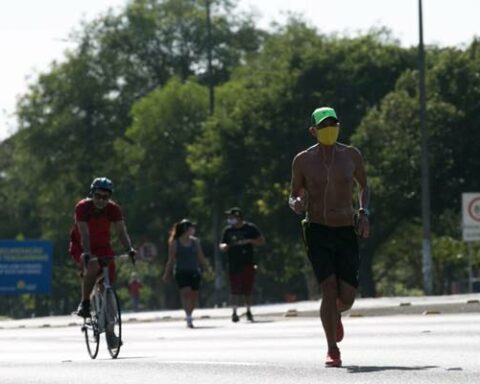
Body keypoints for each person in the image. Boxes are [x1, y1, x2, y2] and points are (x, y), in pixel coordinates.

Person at [289, 107, 370, 367]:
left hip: (346, 229)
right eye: (324, 126)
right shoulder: (302, 160)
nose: (330, 129)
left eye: (333, 124)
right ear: (313, 131)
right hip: (317, 229)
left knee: (347, 297)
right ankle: (332, 349)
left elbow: (364, 186)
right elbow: (294, 194)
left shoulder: (351, 155)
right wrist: (297, 203)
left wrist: (363, 212)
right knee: (328, 288)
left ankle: (336, 316)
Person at [69, 177, 136, 321]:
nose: (101, 200)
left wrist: (129, 249)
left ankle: (111, 329)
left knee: (107, 286)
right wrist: (87, 253)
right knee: (92, 267)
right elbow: (84, 234)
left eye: (105, 197)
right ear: (92, 194)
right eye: (97, 196)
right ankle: (85, 303)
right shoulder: (82, 207)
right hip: (81, 246)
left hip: (104, 248)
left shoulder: (113, 209)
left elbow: (121, 232)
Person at [219, 207, 266, 323]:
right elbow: (222, 244)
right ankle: (234, 312)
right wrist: (224, 247)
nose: (230, 220)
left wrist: (249, 241)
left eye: (232, 217)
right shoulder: (228, 231)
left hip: (248, 262)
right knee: (234, 289)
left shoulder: (250, 228)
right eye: (229, 218)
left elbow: (261, 241)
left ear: (238, 217)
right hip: (233, 263)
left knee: (247, 289)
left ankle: (248, 310)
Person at [163, 219, 210, 328]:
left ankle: (190, 313)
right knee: (186, 293)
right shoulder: (175, 242)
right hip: (181, 271)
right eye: (191, 228)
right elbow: (170, 259)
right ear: (185, 229)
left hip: (194, 271)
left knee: (194, 296)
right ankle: (188, 317)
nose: (193, 230)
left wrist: (207, 269)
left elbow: (201, 257)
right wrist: (167, 273)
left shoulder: (195, 241)